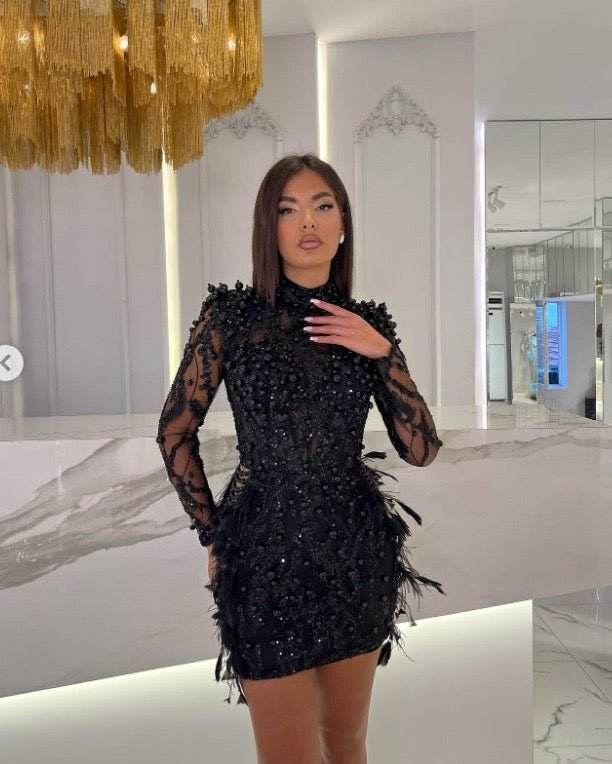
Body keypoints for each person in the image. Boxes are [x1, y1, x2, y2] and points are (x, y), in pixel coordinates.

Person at [156, 153, 445, 763]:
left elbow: (420, 449)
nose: (307, 221)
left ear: (342, 224)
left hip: (355, 554)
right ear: (269, 227)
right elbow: (175, 432)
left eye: (322, 205)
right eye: (288, 210)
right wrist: (212, 532)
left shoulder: (367, 325)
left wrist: (384, 354)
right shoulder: (232, 318)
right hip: (263, 559)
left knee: (347, 743)